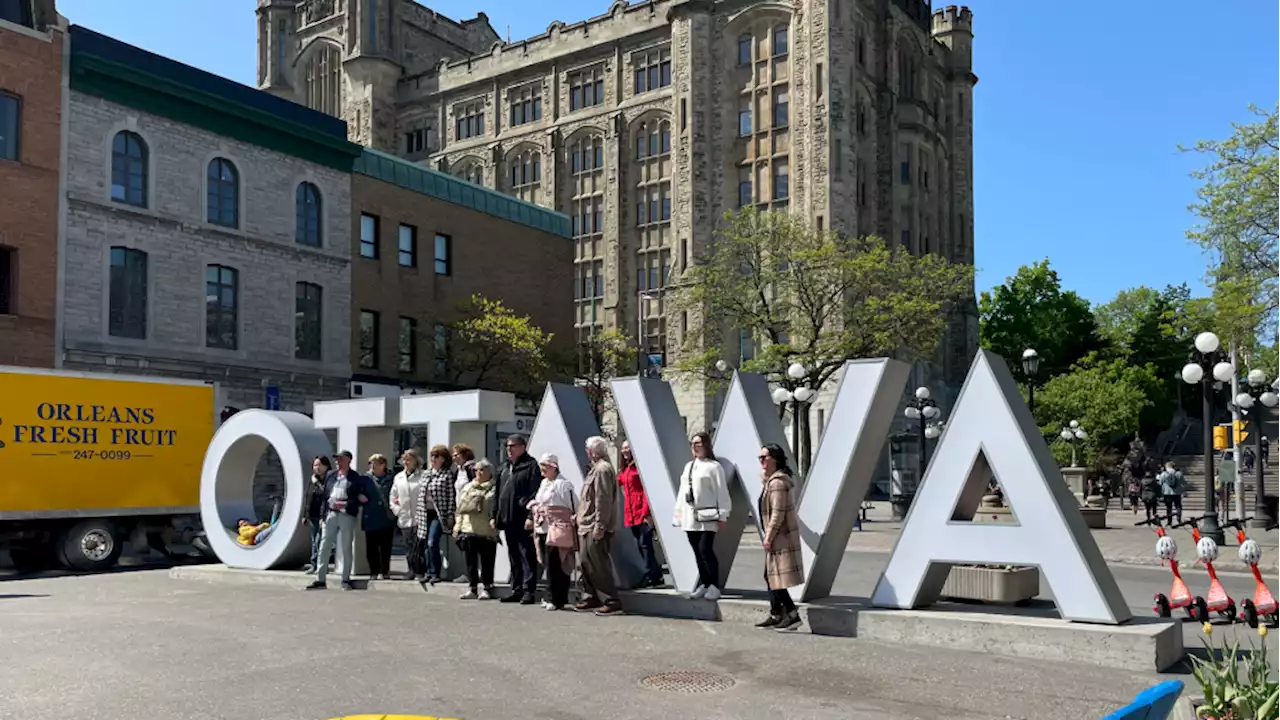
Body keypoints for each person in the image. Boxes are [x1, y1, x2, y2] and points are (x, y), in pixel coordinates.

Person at [674, 431, 732, 601]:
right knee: (697, 552)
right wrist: (678, 514)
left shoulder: (714, 467)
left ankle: (714, 585)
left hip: (707, 516)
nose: (694, 447)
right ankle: (705, 583)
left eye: (698, 443)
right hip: (689, 516)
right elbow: (682, 492)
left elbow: (721, 491)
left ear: (706, 445)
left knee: (705, 550)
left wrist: (723, 515)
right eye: (692, 444)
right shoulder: (689, 466)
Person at [755, 444, 804, 631]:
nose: (761, 460)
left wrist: (768, 537)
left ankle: (791, 614)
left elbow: (777, 513)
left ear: (775, 458)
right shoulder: (772, 481)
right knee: (771, 575)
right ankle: (777, 613)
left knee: (773, 576)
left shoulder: (778, 483)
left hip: (779, 536)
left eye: (764, 457)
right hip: (776, 536)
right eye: (759, 457)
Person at [306, 450, 368, 591]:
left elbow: (358, 498)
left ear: (348, 461)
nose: (337, 462)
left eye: (341, 459)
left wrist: (345, 504)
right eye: (337, 460)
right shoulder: (330, 475)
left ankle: (345, 579)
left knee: (346, 547)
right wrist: (323, 516)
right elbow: (325, 497)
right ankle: (320, 579)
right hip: (331, 514)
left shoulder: (355, 477)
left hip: (346, 515)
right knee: (324, 546)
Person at [576, 436, 623, 615]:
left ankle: (612, 601)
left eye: (588, 449)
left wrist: (600, 526)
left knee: (598, 565)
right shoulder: (594, 470)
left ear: (592, 451)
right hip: (585, 525)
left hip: (595, 526)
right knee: (586, 563)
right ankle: (592, 597)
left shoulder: (603, 470)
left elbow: (603, 500)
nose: (587, 452)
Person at [492, 433, 541, 605]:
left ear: (522, 447)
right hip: (507, 519)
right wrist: (494, 515)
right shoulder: (504, 467)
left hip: (522, 519)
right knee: (513, 556)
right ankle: (516, 589)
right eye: (507, 446)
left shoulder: (531, 466)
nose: (509, 449)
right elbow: (497, 494)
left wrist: (530, 517)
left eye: (512, 446)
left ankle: (529, 591)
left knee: (526, 555)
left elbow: (535, 493)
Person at [529, 453, 578, 611]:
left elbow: (573, 506)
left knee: (558, 562)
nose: (542, 469)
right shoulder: (544, 483)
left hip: (558, 529)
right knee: (547, 562)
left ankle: (556, 598)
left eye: (545, 466)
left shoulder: (563, 484)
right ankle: (553, 596)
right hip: (543, 527)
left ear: (553, 467)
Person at [618, 441, 664, 588]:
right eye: (623, 448)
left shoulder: (639, 468)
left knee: (645, 544)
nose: (625, 451)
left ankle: (649, 575)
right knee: (641, 544)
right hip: (631, 513)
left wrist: (646, 513)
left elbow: (646, 492)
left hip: (641, 512)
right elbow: (617, 481)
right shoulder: (625, 470)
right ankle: (656, 575)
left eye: (628, 447)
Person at [454, 458, 499, 600]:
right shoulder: (468, 487)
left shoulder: (494, 488)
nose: (478, 473)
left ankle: (487, 587)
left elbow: (497, 508)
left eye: (482, 470)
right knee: (470, 562)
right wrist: (458, 527)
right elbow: (460, 509)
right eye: (476, 470)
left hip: (486, 530)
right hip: (468, 529)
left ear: (489, 472)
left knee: (487, 561)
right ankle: (472, 588)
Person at [416, 445, 457, 586]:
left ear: (443, 459)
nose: (433, 459)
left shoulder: (447, 475)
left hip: (439, 514)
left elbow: (451, 496)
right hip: (424, 513)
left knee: (432, 541)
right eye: (432, 456)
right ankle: (427, 572)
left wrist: (451, 514)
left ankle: (435, 572)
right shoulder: (426, 473)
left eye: (436, 456)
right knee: (425, 543)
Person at [390, 448, 425, 580]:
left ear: (416, 461)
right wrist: (397, 510)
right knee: (408, 545)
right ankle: (411, 570)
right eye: (404, 460)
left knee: (419, 545)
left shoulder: (423, 475)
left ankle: (420, 571)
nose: (406, 462)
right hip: (404, 517)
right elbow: (393, 497)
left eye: (409, 459)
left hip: (419, 516)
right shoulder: (398, 477)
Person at [363, 453, 397, 580]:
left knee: (385, 547)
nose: (372, 466)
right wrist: (360, 497)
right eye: (370, 463)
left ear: (383, 465)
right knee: (371, 547)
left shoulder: (392, 478)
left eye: (374, 463)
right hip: (370, 516)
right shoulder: (366, 478)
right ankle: (373, 571)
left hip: (386, 517)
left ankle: (384, 571)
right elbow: (358, 492)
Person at [302, 455, 331, 573]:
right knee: (314, 540)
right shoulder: (312, 480)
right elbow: (307, 497)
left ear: (326, 466)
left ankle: (322, 565)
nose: (317, 468)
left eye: (319, 465)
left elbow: (326, 497)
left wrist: (322, 516)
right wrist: (305, 515)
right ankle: (314, 564)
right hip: (312, 515)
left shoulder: (329, 480)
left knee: (321, 540)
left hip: (324, 515)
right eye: (315, 465)